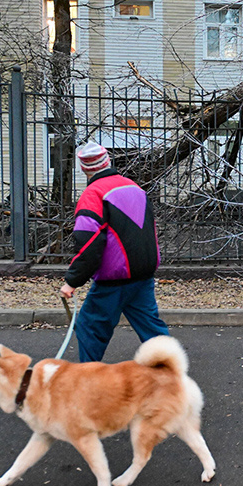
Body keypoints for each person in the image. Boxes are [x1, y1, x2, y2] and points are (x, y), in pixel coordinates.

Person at [60, 141, 169, 362]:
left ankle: (90, 379)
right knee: (152, 329)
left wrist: (72, 281)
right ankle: (172, 375)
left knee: (89, 328)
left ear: (84, 169)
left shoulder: (93, 195)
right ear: (108, 161)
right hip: (143, 273)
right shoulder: (133, 187)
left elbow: (88, 244)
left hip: (115, 278)